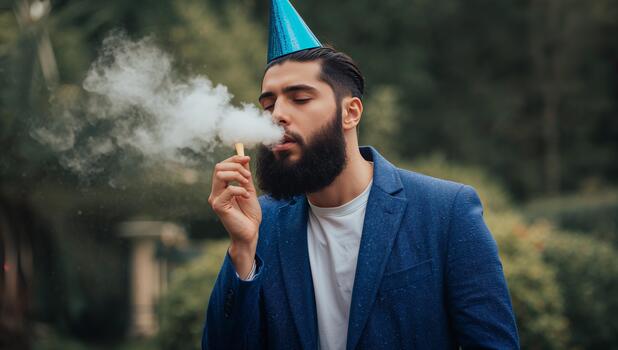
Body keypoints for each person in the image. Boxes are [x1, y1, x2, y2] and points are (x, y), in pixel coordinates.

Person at [202, 1, 519, 349]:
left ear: (350, 112)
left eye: (300, 98)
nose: (277, 115)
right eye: (268, 105)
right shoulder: (261, 224)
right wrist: (243, 248)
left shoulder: (446, 212)